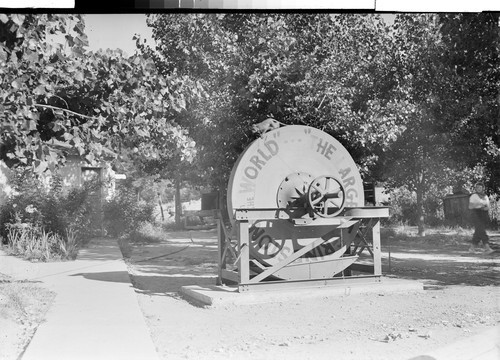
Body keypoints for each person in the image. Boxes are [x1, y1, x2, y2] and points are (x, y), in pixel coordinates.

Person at [468, 182, 494, 254]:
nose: (479, 189)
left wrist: (485, 207)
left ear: (483, 188)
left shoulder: (485, 196)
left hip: (483, 215)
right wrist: (480, 205)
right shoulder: (474, 196)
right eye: (477, 187)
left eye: (480, 187)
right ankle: (487, 248)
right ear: (475, 188)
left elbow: (488, 206)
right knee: (481, 231)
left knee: (478, 232)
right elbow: (470, 206)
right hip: (476, 215)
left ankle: (472, 248)